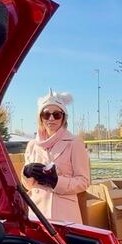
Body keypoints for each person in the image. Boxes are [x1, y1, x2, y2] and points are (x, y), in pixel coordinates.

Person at [23, 90, 91, 224]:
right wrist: (26, 173)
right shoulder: (32, 145)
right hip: (36, 213)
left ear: (63, 117)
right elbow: (27, 186)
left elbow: (84, 181)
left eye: (56, 114)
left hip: (65, 215)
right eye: (46, 114)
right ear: (40, 118)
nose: (51, 118)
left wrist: (56, 182)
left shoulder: (75, 143)